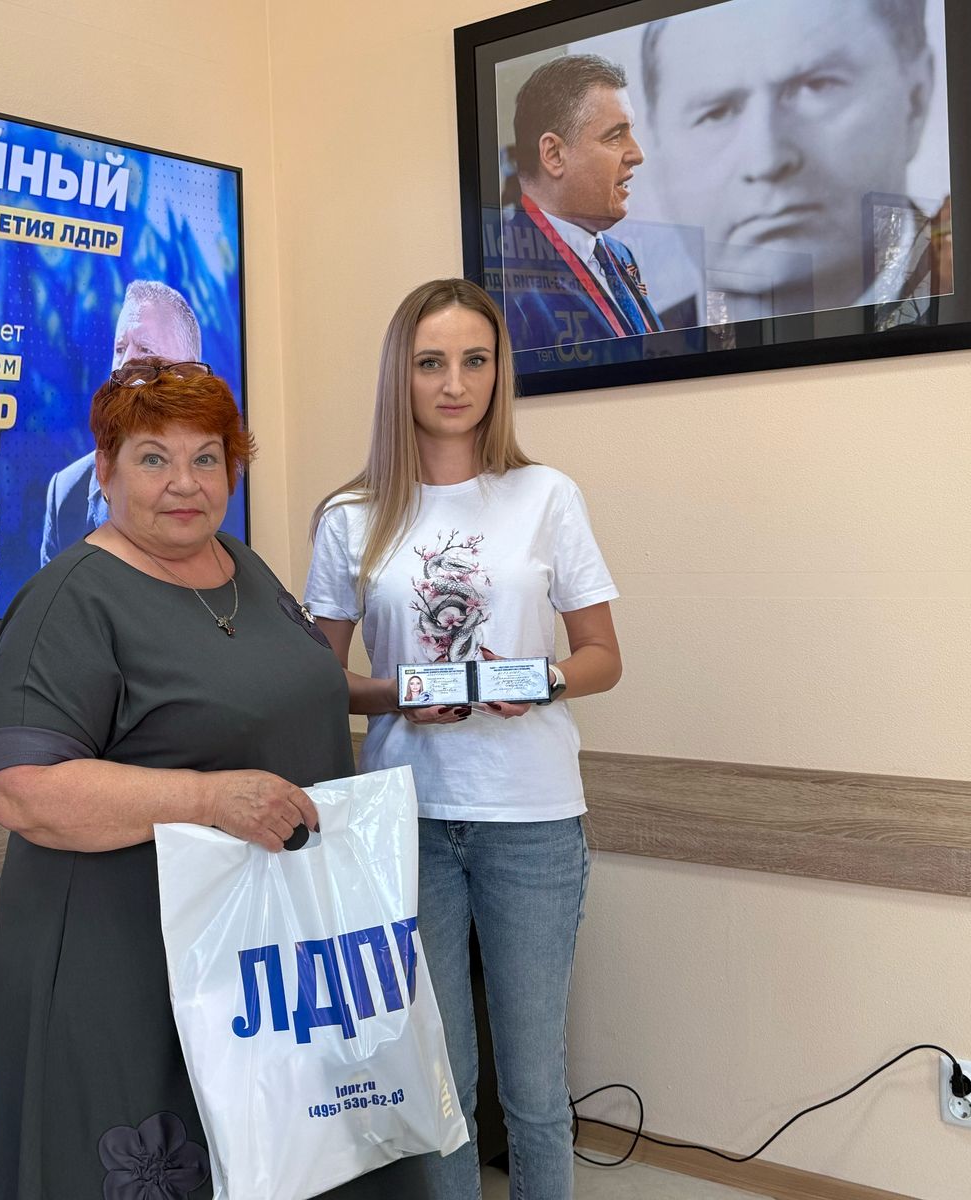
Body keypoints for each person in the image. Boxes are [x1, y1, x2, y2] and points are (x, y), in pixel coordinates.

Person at [0, 358, 423, 1198]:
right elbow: (21, 789)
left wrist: (401, 694)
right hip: (131, 960)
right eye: (153, 458)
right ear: (104, 470)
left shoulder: (238, 565)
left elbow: (287, 691)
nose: (184, 483)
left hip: (267, 951)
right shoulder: (69, 600)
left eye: (206, 458)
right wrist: (209, 798)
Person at [305, 278, 623, 1200]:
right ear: (399, 376)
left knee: (535, 1087)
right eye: (432, 362)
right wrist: (398, 694)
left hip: (532, 819)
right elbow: (318, 681)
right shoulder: (350, 515)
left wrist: (540, 679)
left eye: (475, 361)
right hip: (405, 820)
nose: (455, 383)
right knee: (437, 1084)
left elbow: (602, 657)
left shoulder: (547, 495)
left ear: (498, 372)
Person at [639, 0, 946, 324]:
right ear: (653, 151)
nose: (766, 161)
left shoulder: (964, 290)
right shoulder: (638, 345)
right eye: (715, 113)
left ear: (916, 99)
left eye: (818, 87)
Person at [500, 54, 663, 353]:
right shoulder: (505, 273)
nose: (637, 154)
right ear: (553, 154)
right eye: (615, 136)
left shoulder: (619, 253)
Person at [38, 279, 204, 565]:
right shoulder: (66, 493)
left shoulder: (223, 484)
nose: (125, 363)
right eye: (120, 348)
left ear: (190, 372)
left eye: (145, 350)